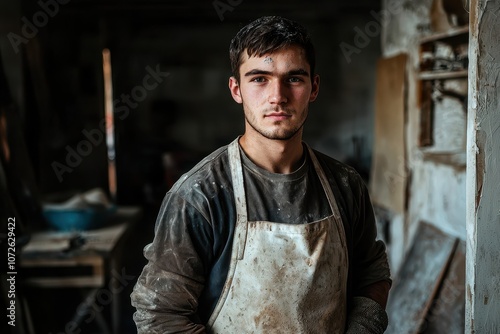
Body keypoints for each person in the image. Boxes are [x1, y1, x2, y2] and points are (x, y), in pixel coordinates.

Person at [131, 15, 391, 334]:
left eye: (293, 78)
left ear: (314, 87)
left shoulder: (345, 184)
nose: (277, 96)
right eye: (259, 79)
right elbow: (159, 316)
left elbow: (372, 275)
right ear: (236, 89)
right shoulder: (199, 195)